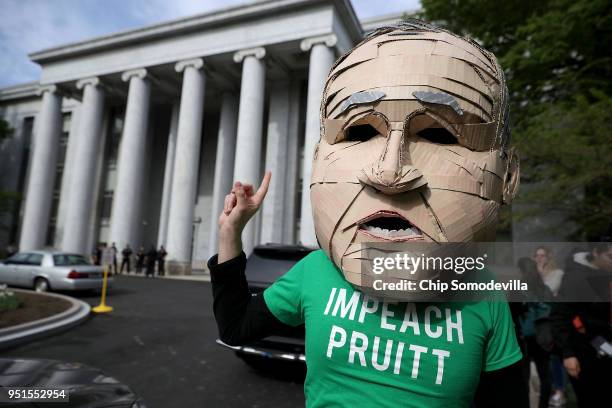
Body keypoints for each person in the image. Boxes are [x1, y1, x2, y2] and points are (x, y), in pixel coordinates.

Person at [209, 21, 526, 408]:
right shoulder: (316, 271)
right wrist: (231, 231)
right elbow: (236, 326)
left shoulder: (482, 295)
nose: (389, 173)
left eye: (439, 134)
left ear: (506, 178)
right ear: (317, 162)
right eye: (360, 131)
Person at [550, 241, 612, 408]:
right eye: (610, 257)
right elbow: (560, 317)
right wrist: (568, 354)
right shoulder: (574, 278)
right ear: (596, 253)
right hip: (586, 352)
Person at [533, 246, 567, 406]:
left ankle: (560, 391)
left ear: (548, 257)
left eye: (542, 256)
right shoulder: (533, 275)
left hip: (553, 322)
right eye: (537, 256)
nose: (539, 259)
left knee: (555, 357)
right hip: (539, 322)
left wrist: (538, 276)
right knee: (545, 360)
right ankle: (552, 390)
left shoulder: (557, 274)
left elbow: (548, 292)